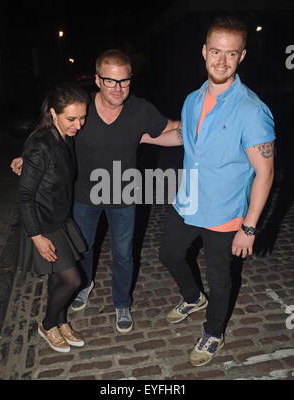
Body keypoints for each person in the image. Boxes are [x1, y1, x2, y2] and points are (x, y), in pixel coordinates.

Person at [11, 49, 179, 334]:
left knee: (124, 254)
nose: (118, 88)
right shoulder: (83, 107)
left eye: (124, 81)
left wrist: (207, 132)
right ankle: (85, 285)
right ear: (98, 79)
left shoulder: (141, 109)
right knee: (83, 249)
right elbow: (54, 132)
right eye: (111, 81)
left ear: (130, 80)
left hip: (124, 195)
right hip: (83, 195)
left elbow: (172, 130)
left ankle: (122, 302)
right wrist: (29, 158)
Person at [143, 16, 275, 366]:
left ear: (241, 56)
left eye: (230, 54)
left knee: (220, 279)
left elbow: (265, 171)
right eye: (215, 51)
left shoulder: (252, 110)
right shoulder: (192, 99)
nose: (221, 61)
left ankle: (213, 332)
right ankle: (191, 296)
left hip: (226, 211)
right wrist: (142, 136)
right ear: (204, 51)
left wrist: (249, 227)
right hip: (188, 201)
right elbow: (184, 139)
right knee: (170, 254)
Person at [17, 82, 89, 353]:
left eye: (82, 118)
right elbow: (25, 198)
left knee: (58, 277)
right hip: (44, 224)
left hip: (59, 218)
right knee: (73, 280)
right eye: (72, 118)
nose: (78, 125)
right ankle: (48, 325)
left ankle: (60, 320)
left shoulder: (62, 136)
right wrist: (37, 237)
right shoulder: (41, 145)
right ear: (53, 113)